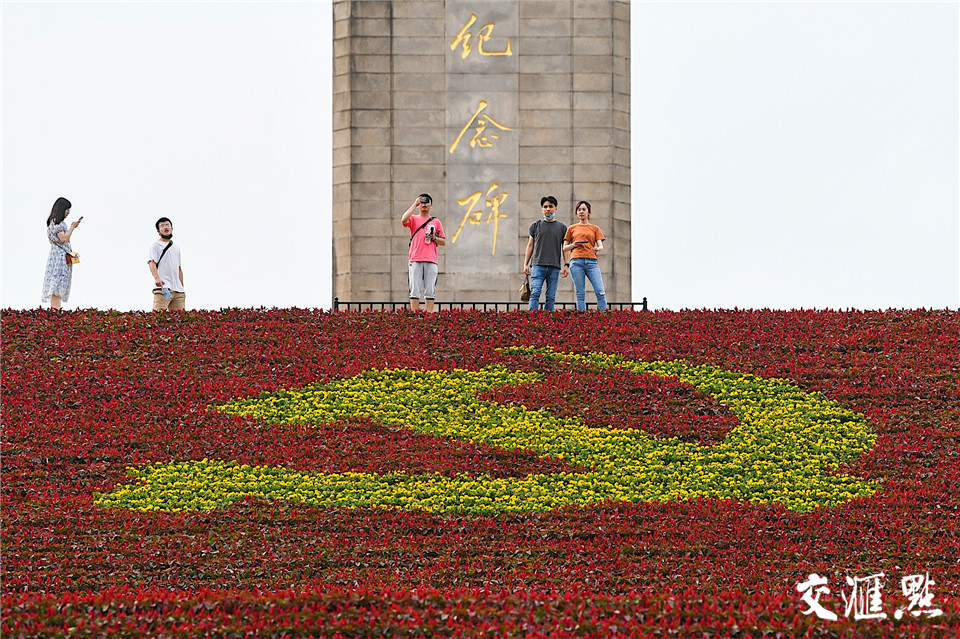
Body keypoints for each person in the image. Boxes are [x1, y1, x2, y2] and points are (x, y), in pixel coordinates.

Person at [401, 193, 446, 312]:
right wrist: (414, 204)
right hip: (415, 258)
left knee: (430, 290)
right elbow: (404, 219)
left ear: (431, 205)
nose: (424, 205)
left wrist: (434, 238)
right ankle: (415, 314)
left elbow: (443, 241)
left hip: (431, 259)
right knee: (414, 289)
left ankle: (428, 314)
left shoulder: (436, 222)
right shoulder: (414, 219)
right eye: (422, 202)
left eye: (427, 202)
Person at [523, 196, 569, 310]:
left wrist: (567, 265)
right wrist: (526, 264)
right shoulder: (535, 226)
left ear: (556, 209)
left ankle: (547, 322)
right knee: (535, 294)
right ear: (542, 209)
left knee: (550, 297)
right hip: (538, 265)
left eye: (551, 206)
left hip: (554, 267)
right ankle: (532, 321)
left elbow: (565, 248)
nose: (548, 209)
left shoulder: (562, 228)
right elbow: (530, 245)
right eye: (545, 207)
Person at [562, 200, 607, 311]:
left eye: (584, 209)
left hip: (592, 262)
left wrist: (597, 249)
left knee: (600, 291)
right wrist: (574, 244)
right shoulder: (571, 228)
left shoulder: (595, 228)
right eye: (579, 210)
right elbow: (564, 248)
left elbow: (601, 246)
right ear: (576, 212)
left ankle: (605, 317)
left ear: (588, 212)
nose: (581, 212)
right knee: (580, 293)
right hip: (576, 261)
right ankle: (582, 319)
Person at [41, 197, 82, 310]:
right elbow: (63, 238)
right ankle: (56, 311)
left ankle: (55, 309)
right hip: (59, 257)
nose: (68, 212)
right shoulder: (59, 223)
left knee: (56, 281)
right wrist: (72, 227)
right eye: (67, 209)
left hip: (55, 256)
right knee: (58, 282)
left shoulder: (52, 222)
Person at [148, 217, 186, 311]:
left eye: (167, 225)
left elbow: (179, 268)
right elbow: (152, 262)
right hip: (163, 288)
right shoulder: (156, 245)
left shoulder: (176, 247)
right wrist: (157, 278)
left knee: (180, 319)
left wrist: (181, 285)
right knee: (158, 316)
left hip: (178, 291)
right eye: (162, 226)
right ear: (158, 231)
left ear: (172, 228)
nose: (166, 227)